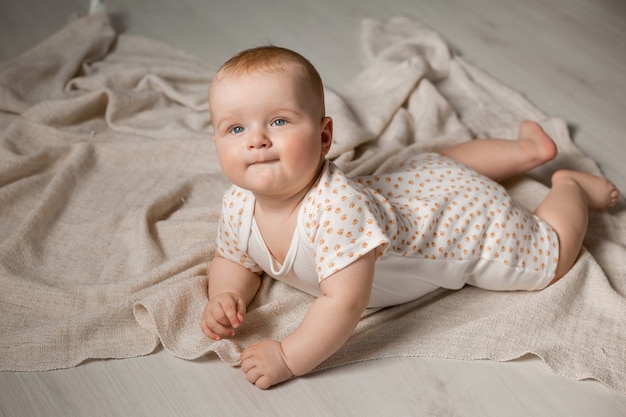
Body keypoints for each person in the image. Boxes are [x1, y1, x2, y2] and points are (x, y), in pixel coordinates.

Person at [201, 46, 619, 389]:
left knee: (551, 258)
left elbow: (344, 303)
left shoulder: (335, 210)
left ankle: (569, 186)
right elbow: (235, 258)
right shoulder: (238, 202)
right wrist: (226, 294)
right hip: (417, 186)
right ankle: (525, 151)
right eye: (235, 129)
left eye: (278, 121)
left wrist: (289, 356)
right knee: (432, 164)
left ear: (324, 137)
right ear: (217, 140)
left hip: (456, 226)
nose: (256, 140)